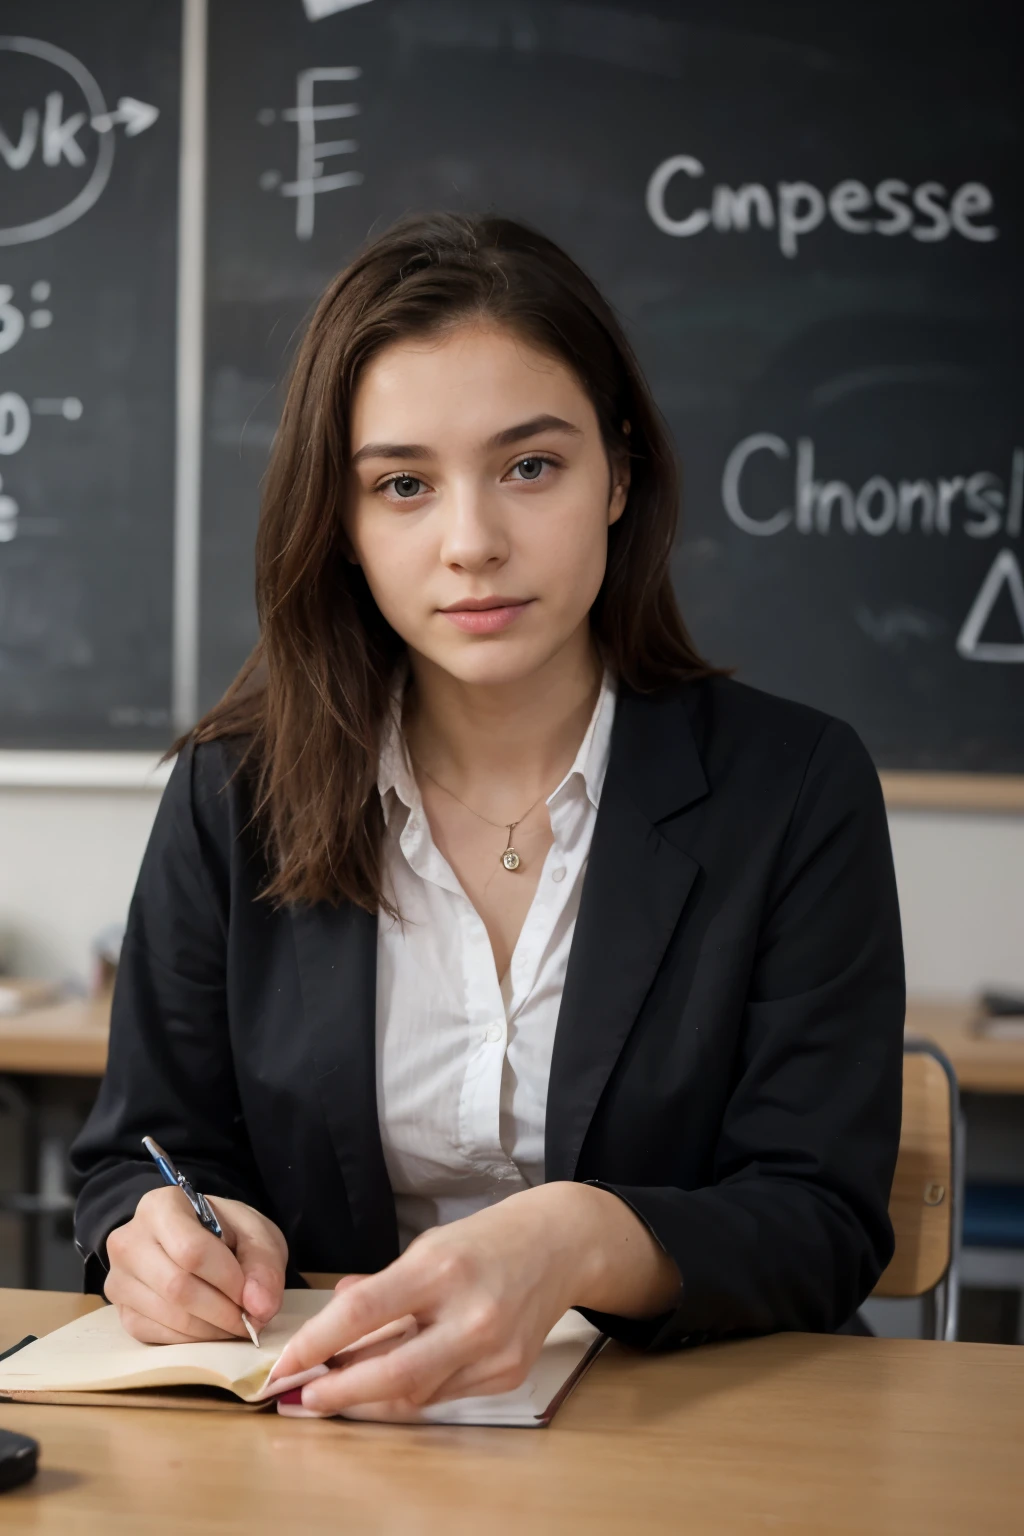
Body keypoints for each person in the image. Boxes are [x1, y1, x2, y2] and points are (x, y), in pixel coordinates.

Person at [71, 211, 904, 1418]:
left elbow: (821, 1216)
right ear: (342, 526)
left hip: (687, 1435)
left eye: (529, 466)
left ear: (619, 474)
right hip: (322, 1441)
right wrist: (153, 1238)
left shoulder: (796, 788)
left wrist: (574, 1238)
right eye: (401, 485)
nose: (472, 543)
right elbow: (133, 1156)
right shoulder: (232, 792)